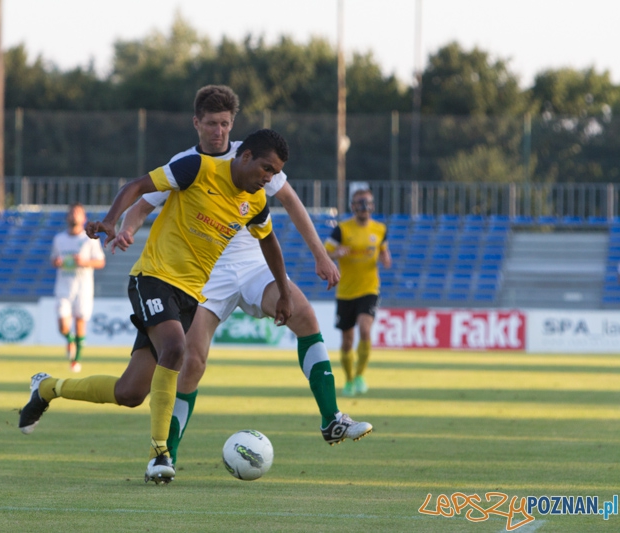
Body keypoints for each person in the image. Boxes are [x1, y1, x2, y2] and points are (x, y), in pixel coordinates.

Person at [112, 85, 370, 465]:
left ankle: (331, 419)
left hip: (251, 263)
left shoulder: (254, 158)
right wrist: (127, 227)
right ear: (197, 123)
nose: (220, 132)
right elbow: (145, 201)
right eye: (213, 124)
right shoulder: (186, 163)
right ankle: (165, 457)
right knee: (191, 363)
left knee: (304, 314)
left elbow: (290, 203)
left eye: (226, 124)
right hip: (202, 276)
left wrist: (320, 254)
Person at [19, 128, 293, 485]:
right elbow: (136, 187)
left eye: (274, 173)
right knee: (178, 348)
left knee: (130, 393)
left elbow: (269, 243)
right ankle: (159, 454)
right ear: (244, 156)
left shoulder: (254, 203)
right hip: (152, 277)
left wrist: (284, 292)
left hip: (190, 297)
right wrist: (113, 219)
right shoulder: (196, 168)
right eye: (266, 168)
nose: (269, 178)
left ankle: (47, 387)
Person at [324, 188, 391, 397]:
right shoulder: (342, 230)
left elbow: (384, 253)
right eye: (360, 203)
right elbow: (325, 252)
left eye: (367, 202)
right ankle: (350, 379)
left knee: (365, 328)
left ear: (372, 206)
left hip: (369, 288)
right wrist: (337, 253)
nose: (364, 207)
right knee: (346, 340)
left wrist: (385, 259)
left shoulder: (380, 229)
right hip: (345, 292)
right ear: (353, 207)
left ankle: (361, 375)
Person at [50, 203, 106, 372]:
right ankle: (70, 339)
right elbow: (53, 259)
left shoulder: (88, 239)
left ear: (84, 218)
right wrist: (57, 262)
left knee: (80, 321)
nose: (74, 215)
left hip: (83, 287)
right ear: (67, 216)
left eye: (78, 213)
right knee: (63, 325)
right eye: (72, 212)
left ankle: (76, 361)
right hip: (63, 287)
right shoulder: (59, 239)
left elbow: (100, 261)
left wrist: (84, 262)